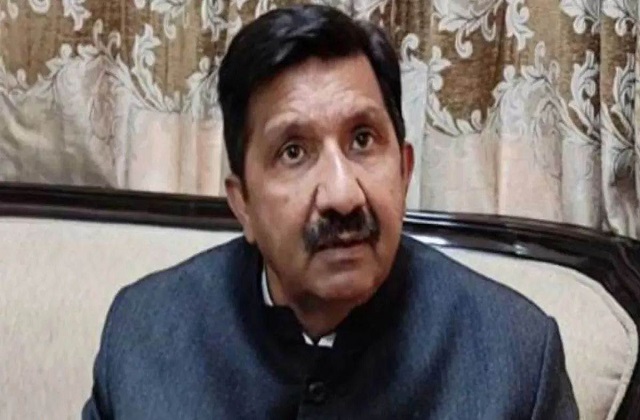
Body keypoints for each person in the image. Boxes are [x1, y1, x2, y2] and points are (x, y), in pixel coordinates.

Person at [82, 5, 578, 419]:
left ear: (404, 171)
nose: (343, 196)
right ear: (243, 204)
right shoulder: (143, 334)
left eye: (363, 140)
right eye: (293, 152)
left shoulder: (516, 360)